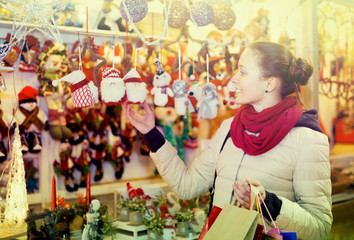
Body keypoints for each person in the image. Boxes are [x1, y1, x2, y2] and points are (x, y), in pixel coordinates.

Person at [123, 41, 332, 240]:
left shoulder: (307, 139)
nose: (232, 80)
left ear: (269, 83)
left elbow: (320, 228)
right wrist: (150, 132)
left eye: (242, 72)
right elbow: (187, 186)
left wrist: (270, 203)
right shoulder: (229, 128)